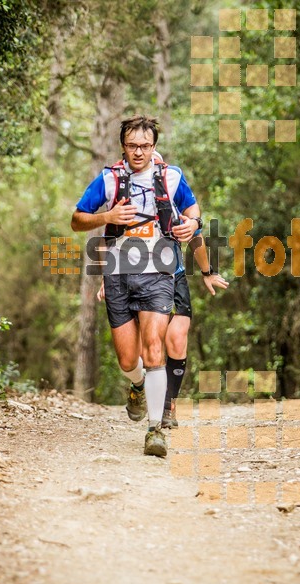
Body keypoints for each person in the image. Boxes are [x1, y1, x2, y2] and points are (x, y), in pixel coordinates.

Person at [72, 114, 220, 457]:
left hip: (160, 270)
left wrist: (192, 223)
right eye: (132, 145)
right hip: (119, 272)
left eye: (145, 145)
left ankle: (156, 430)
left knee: (155, 343)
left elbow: (193, 209)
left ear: (154, 146)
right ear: (123, 146)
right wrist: (106, 217)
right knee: (128, 360)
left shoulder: (171, 175)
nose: (138, 152)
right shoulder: (108, 180)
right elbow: (77, 219)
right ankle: (137, 385)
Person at [95, 151, 229, 430]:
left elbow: (195, 233)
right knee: (146, 347)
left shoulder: (172, 194)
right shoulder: (125, 197)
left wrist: (207, 272)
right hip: (134, 276)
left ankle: (169, 404)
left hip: (173, 276)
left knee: (177, 338)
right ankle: (142, 388)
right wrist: (105, 279)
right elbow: (111, 239)